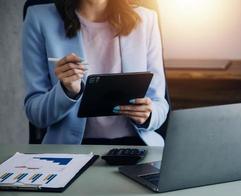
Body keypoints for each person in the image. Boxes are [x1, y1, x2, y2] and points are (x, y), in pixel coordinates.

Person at [22, 0, 169, 146]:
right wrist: (67, 92)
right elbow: (36, 114)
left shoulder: (147, 20)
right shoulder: (39, 19)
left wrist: (148, 115)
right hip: (71, 150)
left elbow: (160, 105)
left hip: (137, 145)